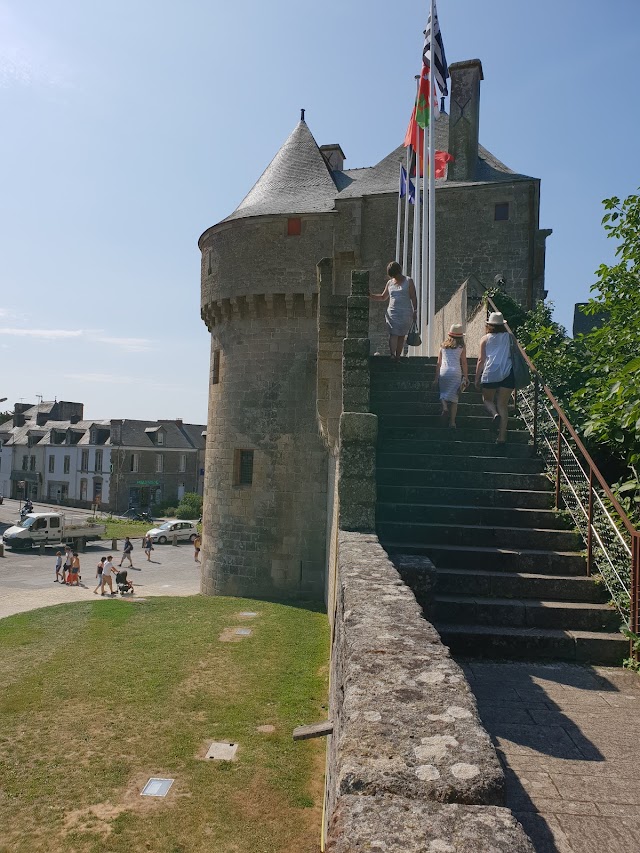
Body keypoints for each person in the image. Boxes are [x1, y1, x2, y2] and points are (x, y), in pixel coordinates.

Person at [475, 311, 514, 445]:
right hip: (508, 372)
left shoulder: (485, 339)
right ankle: (502, 437)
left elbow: (481, 360)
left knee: (487, 399)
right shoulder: (509, 337)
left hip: (491, 371)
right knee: (503, 405)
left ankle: (494, 414)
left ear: (489, 325)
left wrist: (476, 378)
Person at [369, 261, 417, 362]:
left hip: (405, 313)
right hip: (393, 312)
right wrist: (371, 295)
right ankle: (392, 355)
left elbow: (413, 297)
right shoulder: (390, 283)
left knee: (401, 335)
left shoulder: (409, 281)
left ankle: (398, 357)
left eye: (396, 274)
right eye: (393, 275)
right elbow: (383, 297)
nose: (395, 277)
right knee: (393, 334)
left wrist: (415, 310)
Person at [433, 324, 469, 429]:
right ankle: (452, 422)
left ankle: (444, 407)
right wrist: (466, 377)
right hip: (456, 373)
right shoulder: (461, 347)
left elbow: (438, 363)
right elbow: (464, 362)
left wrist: (436, 378)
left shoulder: (443, 346)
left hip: (444, 372)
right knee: (454, 399)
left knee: (442, 393)